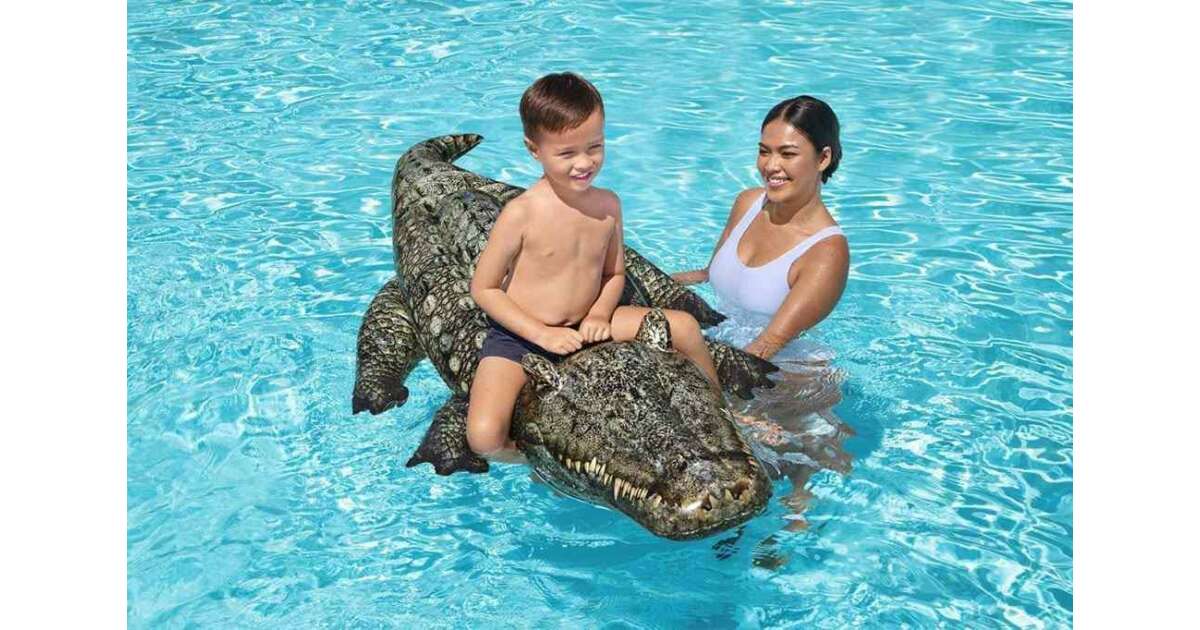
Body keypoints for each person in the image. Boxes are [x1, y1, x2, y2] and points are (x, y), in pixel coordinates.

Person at [466, 72, 721, 465]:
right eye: (567, 154)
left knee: (685, 327)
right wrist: (542, 334)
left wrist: (600, 314)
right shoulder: (521, 214)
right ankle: (546, 463)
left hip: (588, 323)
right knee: (483, 438)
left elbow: (613, 274)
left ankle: (719, 411)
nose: (584, 163)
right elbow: (484, 289)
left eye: (595, 147)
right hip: (522, 336)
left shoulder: (607, 206)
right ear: (534, 150)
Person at [672, 95, 850, 360]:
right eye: (764, 151)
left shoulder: (826, 252)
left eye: (787, 154)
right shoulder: (748, 204)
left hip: (780, 375)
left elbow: (767, 345)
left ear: (823, 158)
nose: (770, 166)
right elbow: (707, 275)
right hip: (719, 346)